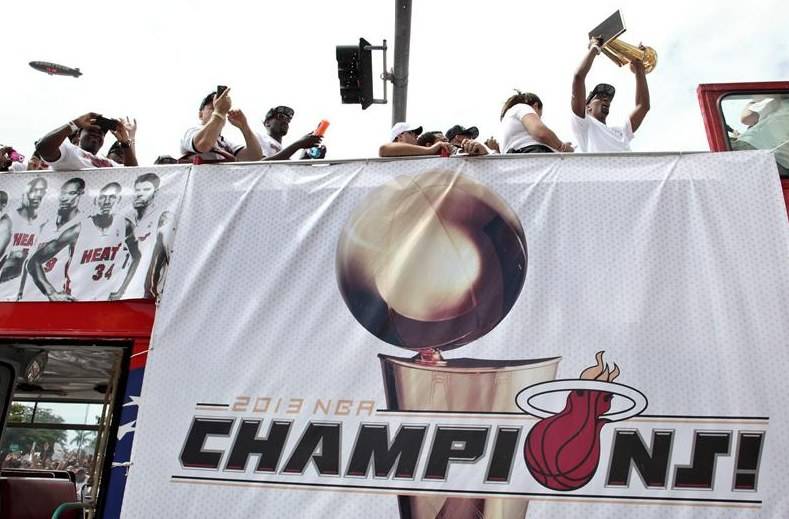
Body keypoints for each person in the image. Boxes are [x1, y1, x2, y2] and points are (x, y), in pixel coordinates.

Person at [28, 182, 140, 301]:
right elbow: (34, 261)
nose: (107, 202)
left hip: (106, 300)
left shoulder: (125, 225)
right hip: (77, 299)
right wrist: (51, 292)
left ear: (119, 200)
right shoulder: (78, 230)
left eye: (112, 197)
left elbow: (137, 257)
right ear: (96, 201)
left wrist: (122, 290)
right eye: (102, 197)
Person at [570, 37, 650, 152]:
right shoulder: (583, 125)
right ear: (587, 107)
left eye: (608, 99)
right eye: (599, 97)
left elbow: (643, 106)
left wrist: (639, 68)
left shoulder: (620, 132)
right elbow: (578, 78)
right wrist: (594, 48)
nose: (606, 100)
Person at [22, 178, 84, 300]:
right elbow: (30, 262)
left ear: (81, 194)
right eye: (63, 193)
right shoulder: (45, 223)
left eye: (71, 193)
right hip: (30, 294)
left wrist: (51, 292)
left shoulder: (83, 225)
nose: (64, 198)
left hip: (59, 295)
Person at [118, 173, 174, 298]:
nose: (140, 193)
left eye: (146, 189)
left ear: (156, 192)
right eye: (138, 190)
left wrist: (150, 290)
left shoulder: (164, 216)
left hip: (146, 292)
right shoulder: (126, 217)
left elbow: (165, 255)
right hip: (120, 286)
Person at [180, 88, 262, 162]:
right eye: (212, 108)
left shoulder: (225, 142)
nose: (221, 110)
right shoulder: (191, 132)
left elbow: (254, 157)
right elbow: (203, 144)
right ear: (200, 115)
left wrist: (244, 126)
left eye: (224, 109)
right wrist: (219, 112)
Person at [0, 177, 48, 300]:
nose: (37, 195)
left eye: (41, 191)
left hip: (22, 289)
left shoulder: (43, 222)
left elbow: (32, 261)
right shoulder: (8, 221)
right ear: (25, 192)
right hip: (4, 286)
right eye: (34, 190)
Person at [37, 114, 138, 170]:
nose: (96, 134)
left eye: (101, 133)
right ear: (78, 135)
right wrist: (74, 124)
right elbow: (43, 148)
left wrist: (125, 143)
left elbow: (133, 173)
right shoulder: (69, 151)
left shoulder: (109, 164)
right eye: (91, 130)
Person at [498, 92, 574, 153]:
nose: (538, 119)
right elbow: (541, 132)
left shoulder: (506, 122)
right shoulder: (522, 107)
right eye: (539, 116)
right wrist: (562, 147)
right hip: (533, 153)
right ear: (535, 106)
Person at [256, 106, 323, 160]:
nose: (286, 121)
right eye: (281, 117)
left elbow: (294, 172)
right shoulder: (258, 138)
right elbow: (259, 166)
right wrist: (298, 144)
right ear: (267, 123)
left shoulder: (284, 153)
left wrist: (307, 156)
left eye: (288, 120)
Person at [379, 123, 453, 157]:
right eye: (412, 132)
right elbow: (383, 149)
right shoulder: (389, 154)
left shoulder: (419, 155)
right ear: (400, 137)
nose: (417, 136)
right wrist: (430, 150)